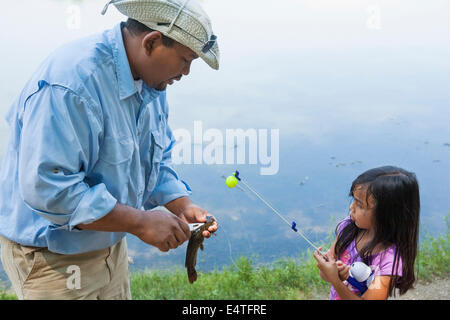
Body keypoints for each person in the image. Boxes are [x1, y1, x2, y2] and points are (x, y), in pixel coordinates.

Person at [0, 0, 219, 300]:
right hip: (52, 259)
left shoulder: (153, 82)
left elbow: (154, 160)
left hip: (109, 241)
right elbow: (49, 190)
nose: (187, 72)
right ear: (152, 42)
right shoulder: (71, 84)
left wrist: (181, 205)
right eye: (185, 59)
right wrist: (140, 222)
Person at [314, 166, 420, 300]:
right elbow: (326, 275)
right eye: (353, 199)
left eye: (359, 204)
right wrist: (328, 270)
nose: (351, 207)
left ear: (386, 215)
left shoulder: (388, 259)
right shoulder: (348, 229)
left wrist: (336, 280)